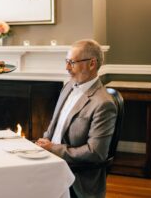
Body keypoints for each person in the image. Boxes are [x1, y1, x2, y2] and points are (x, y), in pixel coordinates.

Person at [36, 39, 117, 198]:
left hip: (77, 178)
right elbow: (54, 127)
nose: (67, 68)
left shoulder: (103, 104)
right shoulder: (68, 86)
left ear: (92, 64)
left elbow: (96, 152)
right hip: (52, 163)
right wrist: (41, 146)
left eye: (72, 62)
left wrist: (53, 149)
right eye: (67, 61)